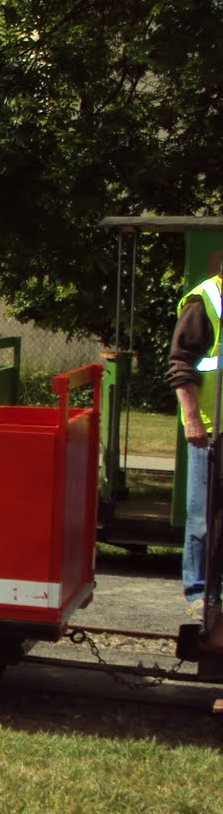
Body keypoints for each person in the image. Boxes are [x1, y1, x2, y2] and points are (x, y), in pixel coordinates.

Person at [170, 263, 223, 617]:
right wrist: (191, 420)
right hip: (210, 427)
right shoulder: (206, 299)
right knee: (203, 515)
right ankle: (198, 592)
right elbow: (180, 365)